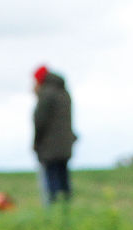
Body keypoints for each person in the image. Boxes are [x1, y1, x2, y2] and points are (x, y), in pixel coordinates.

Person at [32, 65, 77, 206]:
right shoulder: (64, 92)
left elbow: (40, 120)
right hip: (65, 145)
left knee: (51, 182)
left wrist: (36, 142)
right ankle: (65, 210)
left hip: (49, 147)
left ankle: (53, 211)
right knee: (63, 180)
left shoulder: (46, 94)